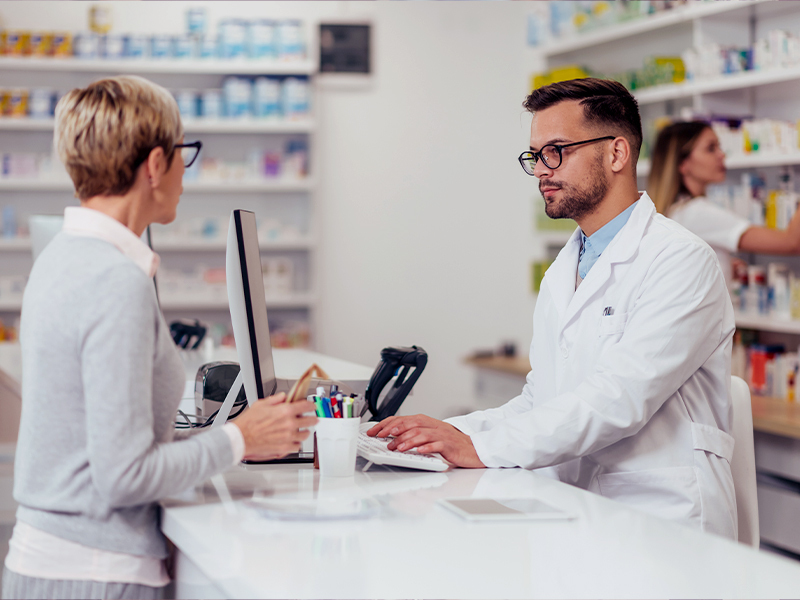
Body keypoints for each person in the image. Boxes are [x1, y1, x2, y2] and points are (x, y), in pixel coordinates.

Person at [368, 78, 738, 539]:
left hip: (662, 520)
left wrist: (477, 447)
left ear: (617, 153)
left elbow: (619, 398)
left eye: (556, 151)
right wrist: (440, 434)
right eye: (535, 155)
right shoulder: (565, 267)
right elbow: (540, 400)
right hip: (574, 509)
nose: (541, 170)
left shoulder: (681, 259)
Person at [2, 76, 316, 600]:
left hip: (57, 564)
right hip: (95, 575)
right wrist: (239, 439)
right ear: (153, 165)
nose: (184, 173)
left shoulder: (63, 257)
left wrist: (237, 440)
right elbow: (124, 476)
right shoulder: (114, 281)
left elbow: (108, 448)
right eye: (181, 154)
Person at [648, 120, 800, 288]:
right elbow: (792, 242)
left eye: (719, 147)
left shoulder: (676, 210)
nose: (722, 155)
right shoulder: (697, 212)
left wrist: (721, 265)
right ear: (683, 164)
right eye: (711, 148)